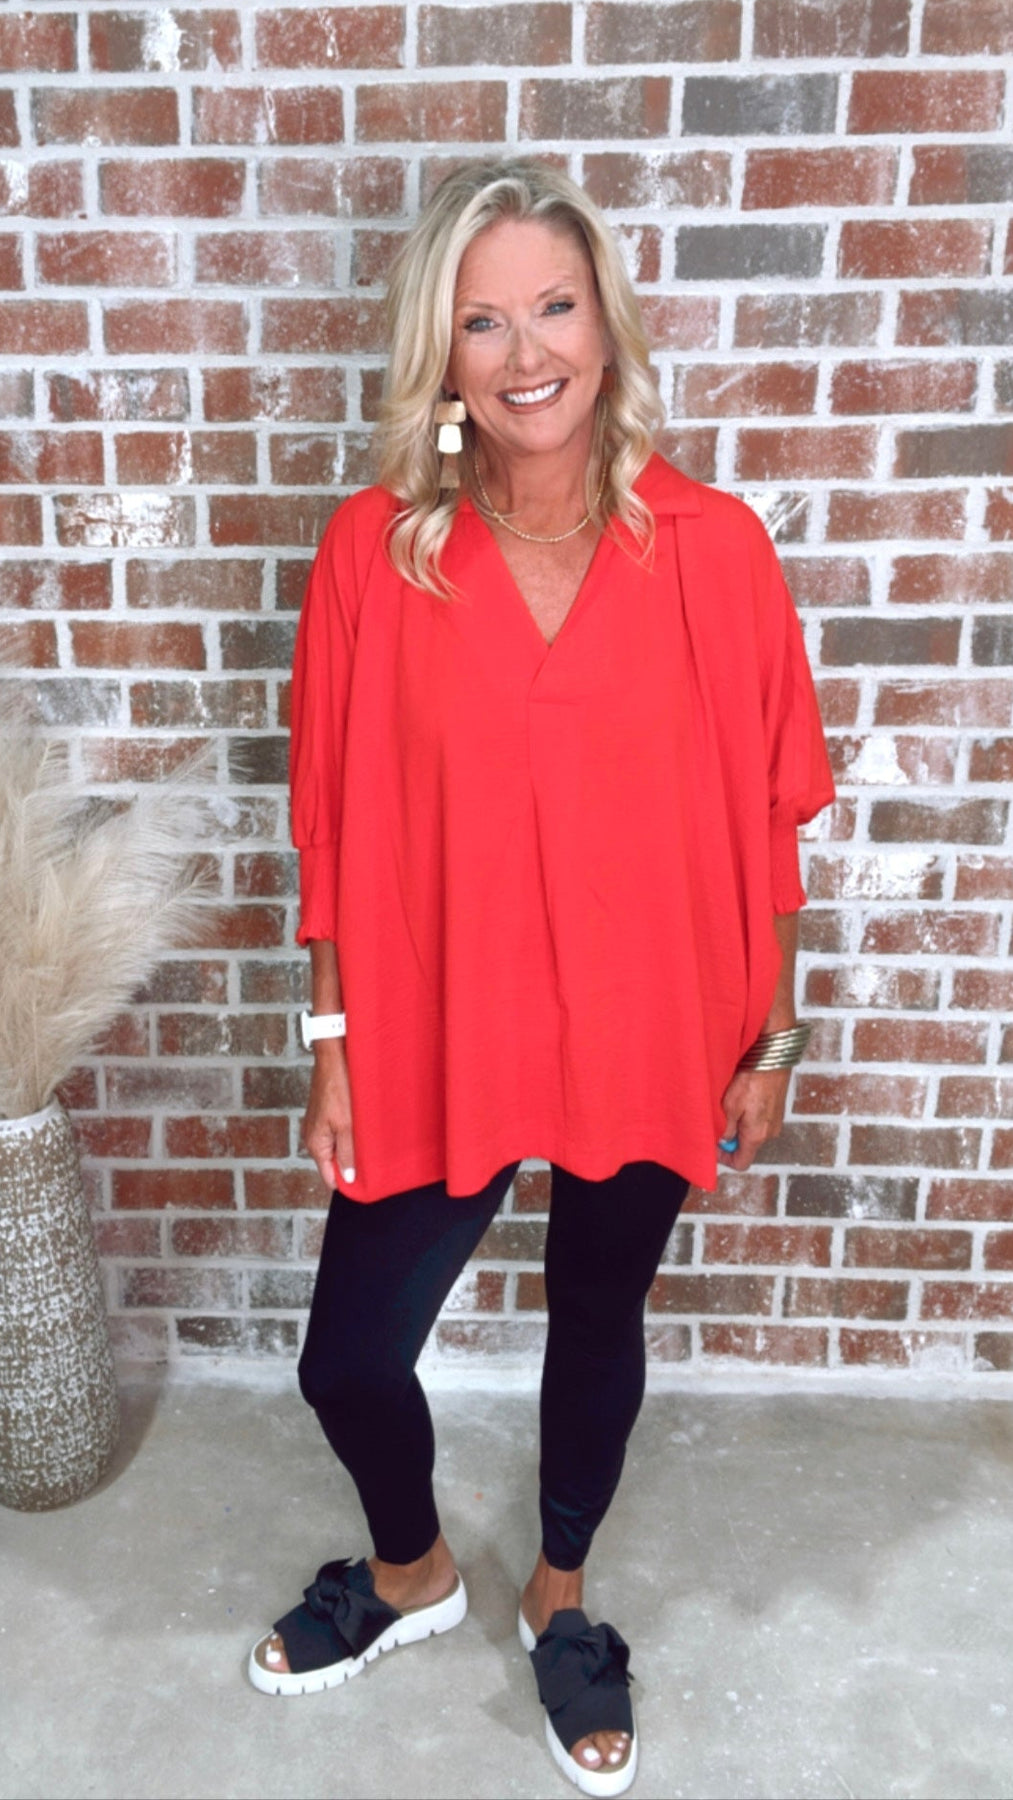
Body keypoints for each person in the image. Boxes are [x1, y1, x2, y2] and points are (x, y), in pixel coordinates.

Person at [247, 157, 834, 1798]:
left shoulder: (712, 547)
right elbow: (331, 819)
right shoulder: (375, 552)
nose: (525, 353)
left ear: (605, 324)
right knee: (347, 1356)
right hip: (440, 1012)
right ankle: (413, 1571)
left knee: (596, 1307)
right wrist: (333, 1038)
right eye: (482, 319)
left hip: (652, 1012)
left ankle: (558, 1597)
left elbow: (771, 807)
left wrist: (773, 1035)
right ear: (439, 353)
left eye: (554, 307)